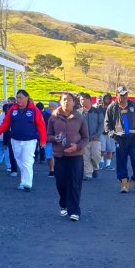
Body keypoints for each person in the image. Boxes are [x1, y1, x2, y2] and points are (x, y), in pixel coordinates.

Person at [47, 92, 90, 221]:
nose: (67, 102)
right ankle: (64, 204)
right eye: (64, 100)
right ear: (60, 101)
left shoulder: (80, 118)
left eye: (70, 100)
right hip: (60, 155)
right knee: (61, 183)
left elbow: (85, 138)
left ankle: (74, 210)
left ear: (73, 102)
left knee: (75, 182)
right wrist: (54, 138)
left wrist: (76, 147)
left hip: (75, 155)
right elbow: (47, 135)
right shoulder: (53, 118)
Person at [0, 90, 47, 191]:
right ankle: (23, 181)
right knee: (20, 161)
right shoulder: (13, 109)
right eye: (17, 97)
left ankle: (27, 184)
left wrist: (43, 140)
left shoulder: (34, 110)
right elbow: (5, 124)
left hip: (30, 141)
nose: (18, 100)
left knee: (27, 161)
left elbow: (41, 126)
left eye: (21, 97)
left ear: (27, 98)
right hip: (15, 140)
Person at [105, 86, 135, 193]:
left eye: (126, 94)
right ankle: (124, 184)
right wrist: (114, 136)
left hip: (134, 138)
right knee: (121, 162)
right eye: (122, 94)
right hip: (120, 139)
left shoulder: (134, 106)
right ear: (117, 95)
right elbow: (107, 124)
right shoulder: (112, 108)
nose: (124, 96)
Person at [78, 92, 104, 180]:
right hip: (83, 139)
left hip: (95, 138)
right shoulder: (78, 112)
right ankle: (88, 174)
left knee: (96, 156)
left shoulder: (97, 111)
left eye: (83, 100)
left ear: (88, 100)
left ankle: (96, 168)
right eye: (80, 100)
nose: (81, 102)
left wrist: (98, 134)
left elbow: (102, 124)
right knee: (85, 157)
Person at [98, 93, 116, 170]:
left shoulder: (112, 107)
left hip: (110, 132)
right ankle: (101, 162)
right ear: (102, 99)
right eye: (105, 98)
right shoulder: (99, 108)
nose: (107, 100)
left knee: (110, 149)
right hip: (101, 132)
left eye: (108, 98)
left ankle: (108, 165)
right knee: (102, 149)